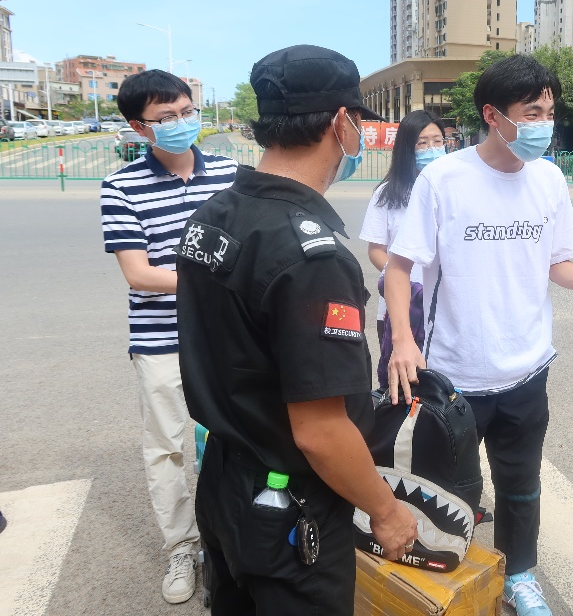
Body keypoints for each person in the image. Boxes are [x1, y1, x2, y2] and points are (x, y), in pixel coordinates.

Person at [175, 45, 417, 615]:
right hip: (288, 507)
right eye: (359, 122)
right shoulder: (313, 257)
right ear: (341, 122)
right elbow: (320, 430)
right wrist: (385, 511)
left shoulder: (216, 213)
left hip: (225, 481)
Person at [383, 54, 573, 616]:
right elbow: (398, 267)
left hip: (527, 370)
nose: (545, 124)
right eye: (531, 113)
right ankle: (448, 581)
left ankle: (518, 575)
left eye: (550, 112)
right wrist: (402, 341)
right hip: (455, 376)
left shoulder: (550, 178)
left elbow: (556, 262)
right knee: (450, 491)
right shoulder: (444, 179)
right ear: (492, 115)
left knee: (521, 486)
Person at [100, 70, 237, 604]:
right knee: (165, 447)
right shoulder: (120, 187)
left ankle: (232, 535)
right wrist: (215, 278)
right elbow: (139, 274)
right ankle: (182, 545)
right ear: (140, 127)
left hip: (228, 336)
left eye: (186, 112)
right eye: (166, 118)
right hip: (160, 337)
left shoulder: (229, 174)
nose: (182, 123)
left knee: (233, 436)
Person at [359, 109, 446, 388]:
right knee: (404, 388)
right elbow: (376, 250)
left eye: (438, 141)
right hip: (400, 310)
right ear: (407, 148)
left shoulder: (455, 190)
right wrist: (403, 280)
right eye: (422, 143)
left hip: (445, 307)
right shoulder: (388, 194)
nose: (432, 149)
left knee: (444, 390)